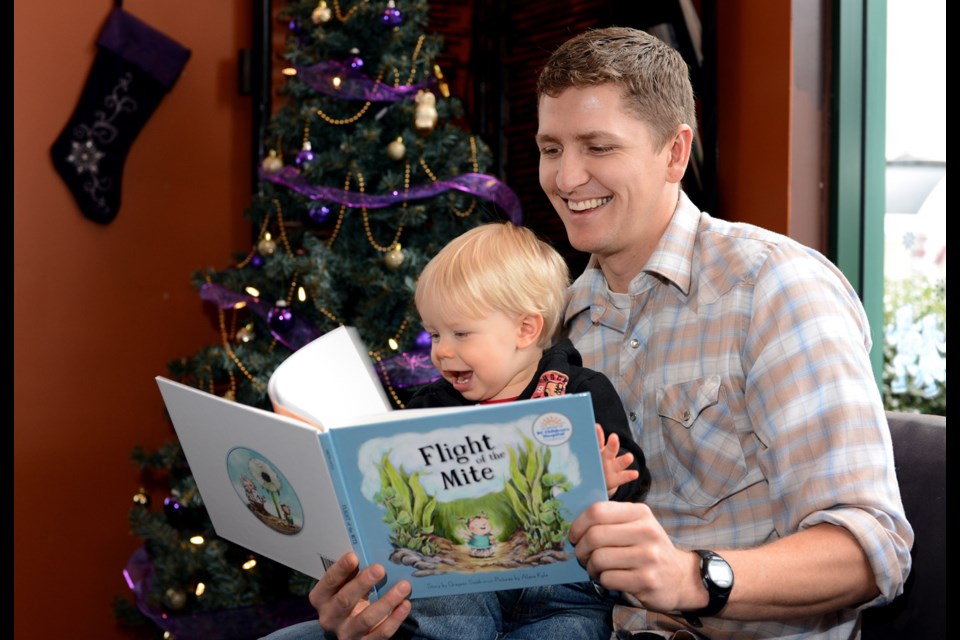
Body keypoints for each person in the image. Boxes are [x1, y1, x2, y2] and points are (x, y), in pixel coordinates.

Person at [265, 26, 913, 640]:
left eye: (598, 147)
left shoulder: (776, 288)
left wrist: (695, 575)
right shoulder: (553, 321)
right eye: (552, 149)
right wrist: (375, 601)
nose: (566, 178)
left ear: (675, 153)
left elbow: (872, 547)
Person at [264, 221, 650, 640]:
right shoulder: (431, 405)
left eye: (461, 333)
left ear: (526, 329)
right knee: (434, 594)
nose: (442, 351)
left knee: (569, 632)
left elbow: (632, 474)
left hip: (563, 593)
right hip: (460, 581)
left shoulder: (578, 389)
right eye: (434, 334)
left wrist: (606, 481)